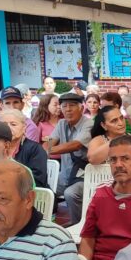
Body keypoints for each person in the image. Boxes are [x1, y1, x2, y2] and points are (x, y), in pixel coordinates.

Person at [48, 92, 94, 224]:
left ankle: (79, 225)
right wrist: (48, 147)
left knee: (70, 193)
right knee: (44, 188)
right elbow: (50, 141)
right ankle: (49, 223)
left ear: (81, 107)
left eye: (72, 105)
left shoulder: (88, 123)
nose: (68, 109)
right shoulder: (61, 123)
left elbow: (76, 145)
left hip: (84, 176)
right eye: (64, 106)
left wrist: (49, 150)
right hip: (65, 175)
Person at [0, 108, 48, 188]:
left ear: (24, 127)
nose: (8, 128)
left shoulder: (35, 149)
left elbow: (38, 180)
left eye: (13, 124)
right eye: (4, 125)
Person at [33, 93, 61, 160]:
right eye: (55, 104)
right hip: (48, 160)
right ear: (46, 106)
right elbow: (35, 143)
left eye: (60, 104)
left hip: (66, 160)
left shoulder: (64, 121)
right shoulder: (40, 124)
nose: (59, 107)